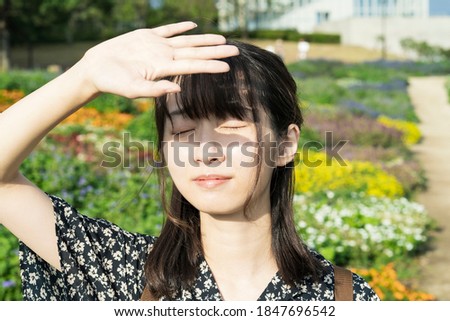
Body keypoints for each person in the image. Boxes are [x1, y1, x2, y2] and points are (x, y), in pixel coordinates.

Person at [0, 21, 379, 301]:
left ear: (285, 144)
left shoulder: (344, 298)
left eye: (232, 124)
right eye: (182, 131)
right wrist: (85, 76)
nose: (205, 150)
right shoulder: (122, 272)